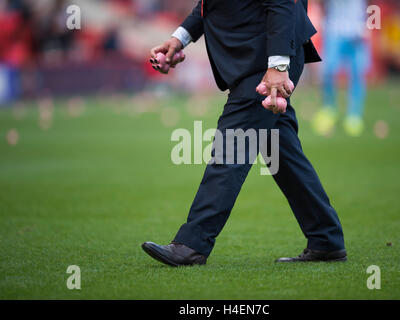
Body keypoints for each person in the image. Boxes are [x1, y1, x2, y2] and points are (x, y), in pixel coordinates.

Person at [142, 0, 346, 266]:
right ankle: (326, 239)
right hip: (258, 54)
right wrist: (179, 38)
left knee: (232, 147)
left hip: (268, 59)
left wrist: (278, 66)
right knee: (282, 154)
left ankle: (192, 244)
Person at [312, 0, 370, 137]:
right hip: (334, 28)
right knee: (328, 71)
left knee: (357, 72)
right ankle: (329, 109)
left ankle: (354, 115)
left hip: (357, 28)